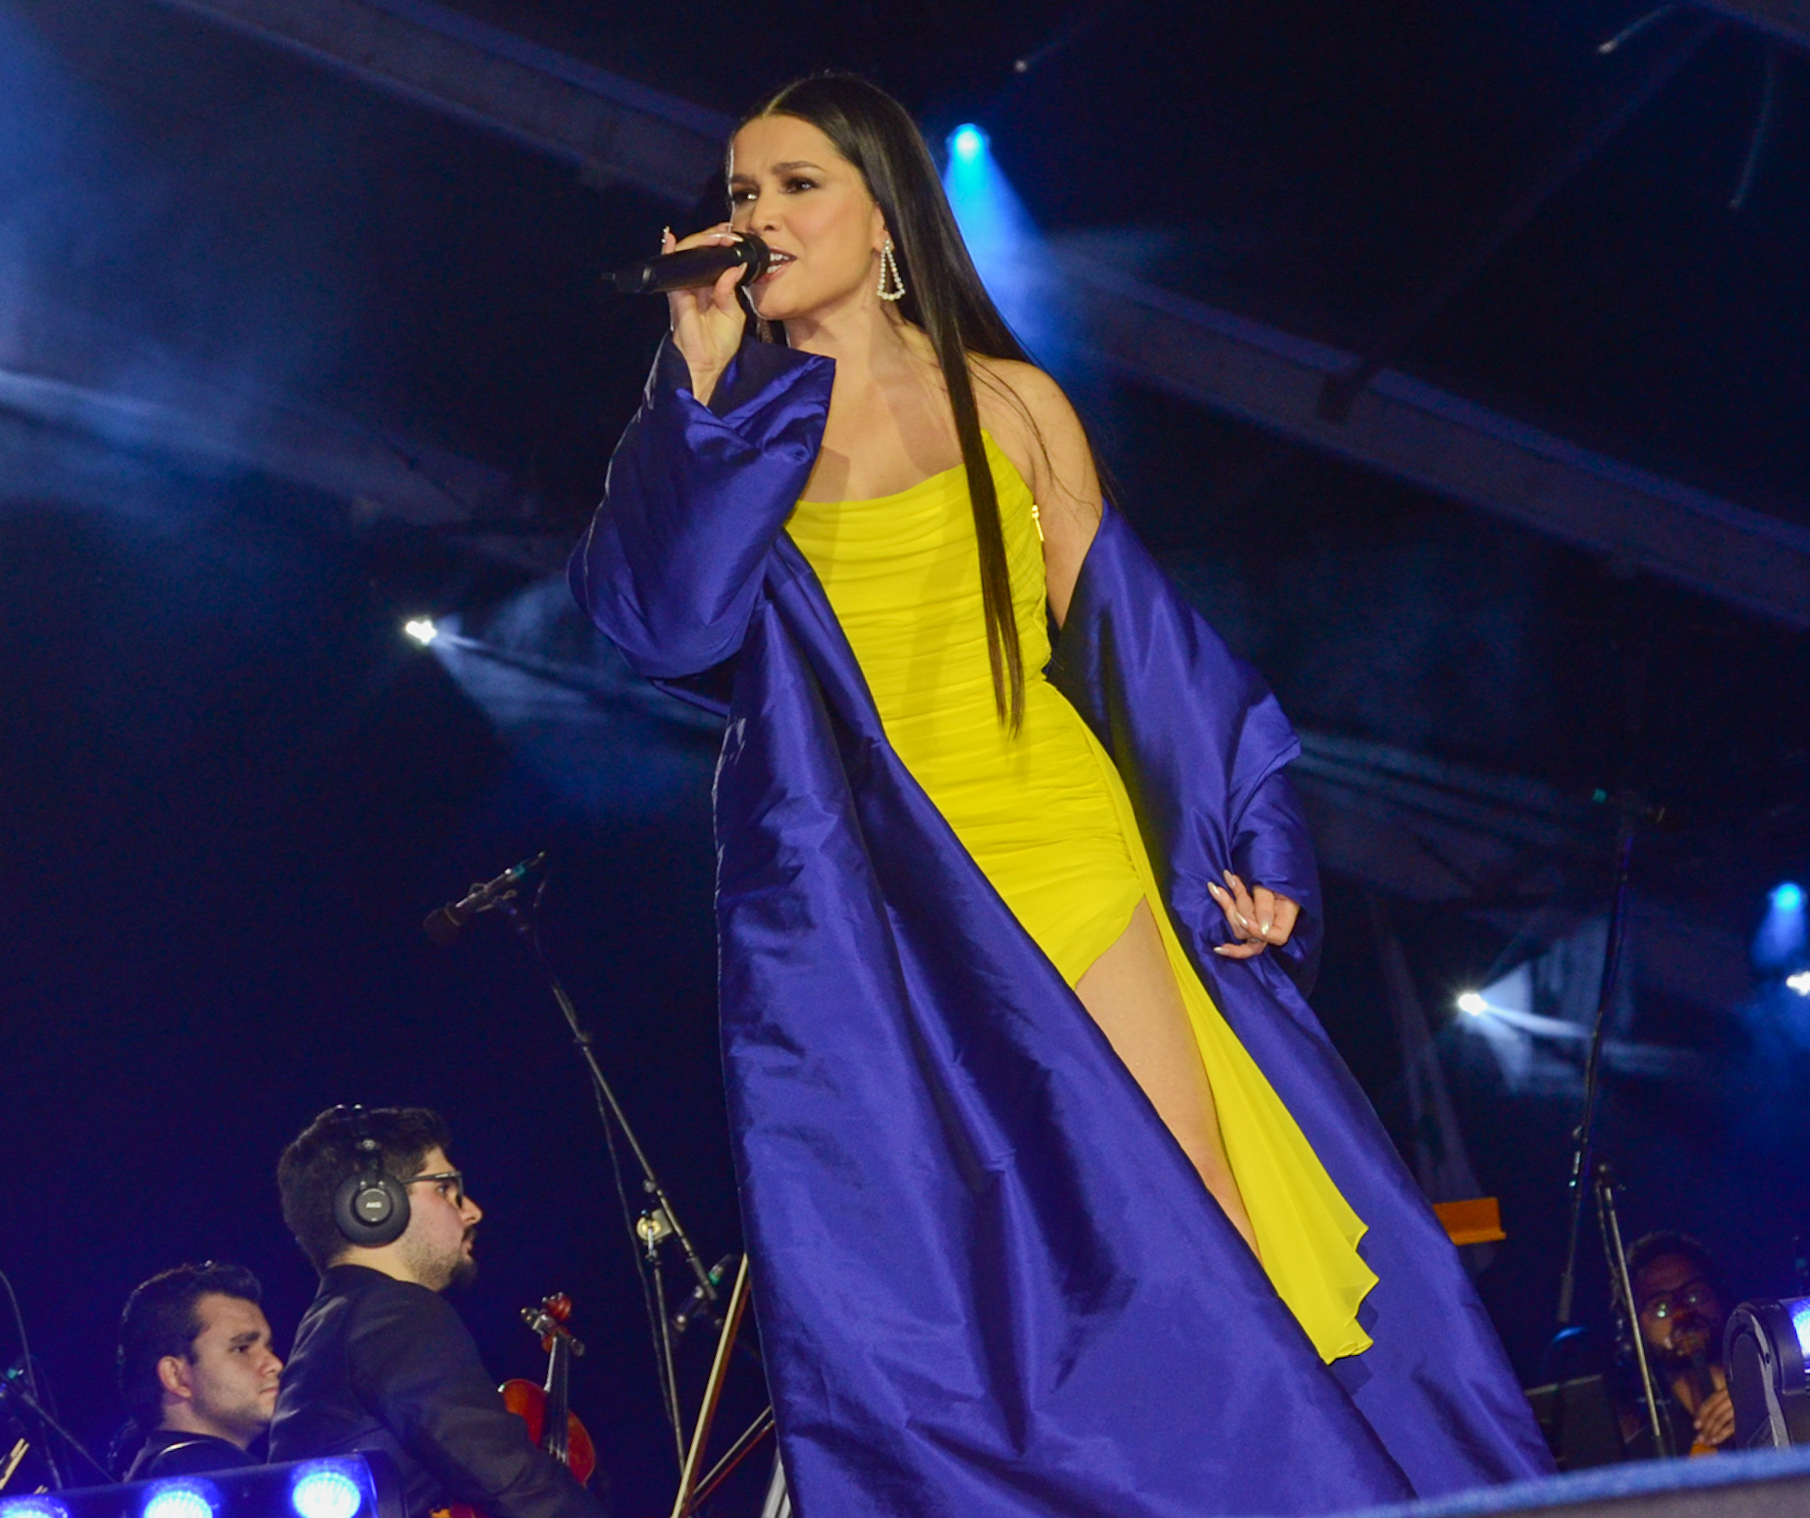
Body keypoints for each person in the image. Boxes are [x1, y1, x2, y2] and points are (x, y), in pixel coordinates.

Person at [572, 71, 1551, 1517]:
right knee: (976, 1272)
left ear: (884, 213)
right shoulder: (734, 416)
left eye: (794, 186)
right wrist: (704, 382)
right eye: (739, 196)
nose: (759, 218)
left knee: (1197, 1204)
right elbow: (663, 625)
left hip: (1060, 834)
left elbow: (1144, 654)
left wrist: (1257, 842)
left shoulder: (1011, 404)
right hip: (878, 893)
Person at [268, 1106, 603, 1518]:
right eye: (445, 1188)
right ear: (374, 1207)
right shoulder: (390, 1313)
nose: (471, 1210)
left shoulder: (334, 1320)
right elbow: (509, 1480)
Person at [112, 1262, 281, 1480]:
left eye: (268, 1347)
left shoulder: (152, 1474)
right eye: (241, 1349)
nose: (274, 1364)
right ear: (176, 1376)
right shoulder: (200, 1478)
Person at [1619, 1231, 1736, 1454]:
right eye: (1661, 1307)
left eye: (1695, 1295)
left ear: (1720, 1296)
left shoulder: (1779, 1397)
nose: (1682, 1313)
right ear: (1634, 1330)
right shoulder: (1645, 1455)